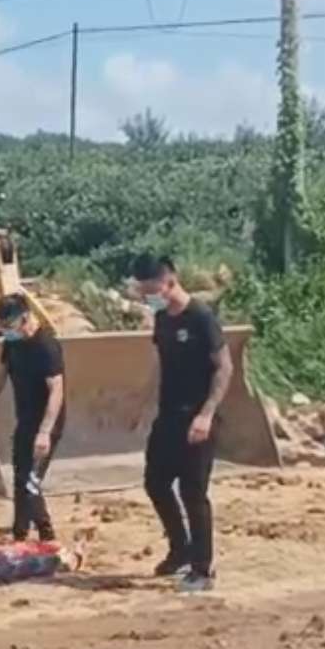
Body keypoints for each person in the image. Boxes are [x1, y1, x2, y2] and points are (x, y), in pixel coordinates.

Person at [132, 252, 233, 594]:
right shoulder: (162, 319)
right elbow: (160, 364)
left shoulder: (201, 317)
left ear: (169, 282)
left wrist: (206, 414)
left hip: (198, 416)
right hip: (168, 416)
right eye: (143, 291)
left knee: (193, 492)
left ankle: (203, 568)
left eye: (151, 290)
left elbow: (224, 367)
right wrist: (143, 403)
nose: (147, 297)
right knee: (155, 483)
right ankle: (180, 548)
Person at [0, 294, 66, 541]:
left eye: (9, 326)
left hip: (47, 423)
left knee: (31, 481)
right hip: (25, 419)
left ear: (25, 318)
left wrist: (45, 432)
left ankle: (46, 533)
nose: (5, 331)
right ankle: (21, 531)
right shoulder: (12, 344)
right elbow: (0, 376)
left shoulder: (46, 346)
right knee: (20, 476)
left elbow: (56, 390)